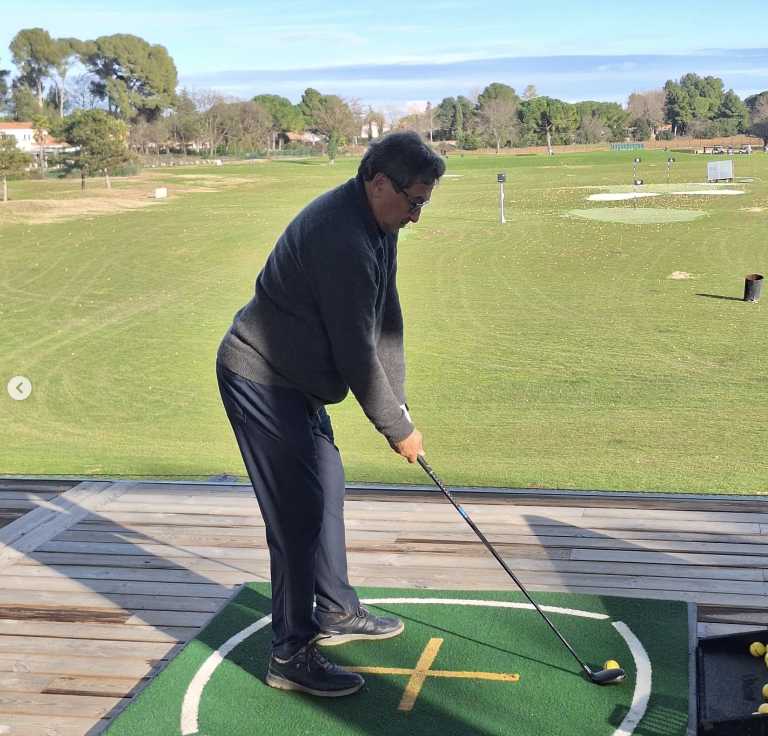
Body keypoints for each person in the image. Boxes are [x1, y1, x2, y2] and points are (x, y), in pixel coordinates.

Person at [216, 130, 445, 698]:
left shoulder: (378, 225)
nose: (417, 215)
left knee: (328, 488)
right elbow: (354, 353)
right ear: (378, 183)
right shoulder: (341, 236)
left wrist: (402, 402)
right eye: (413, 201)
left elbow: (384, 321)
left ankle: (337, 610)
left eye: (424, 203)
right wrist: (397, 428)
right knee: (297, 516)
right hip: (261, 377)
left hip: (299, 384)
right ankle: (290, 654)